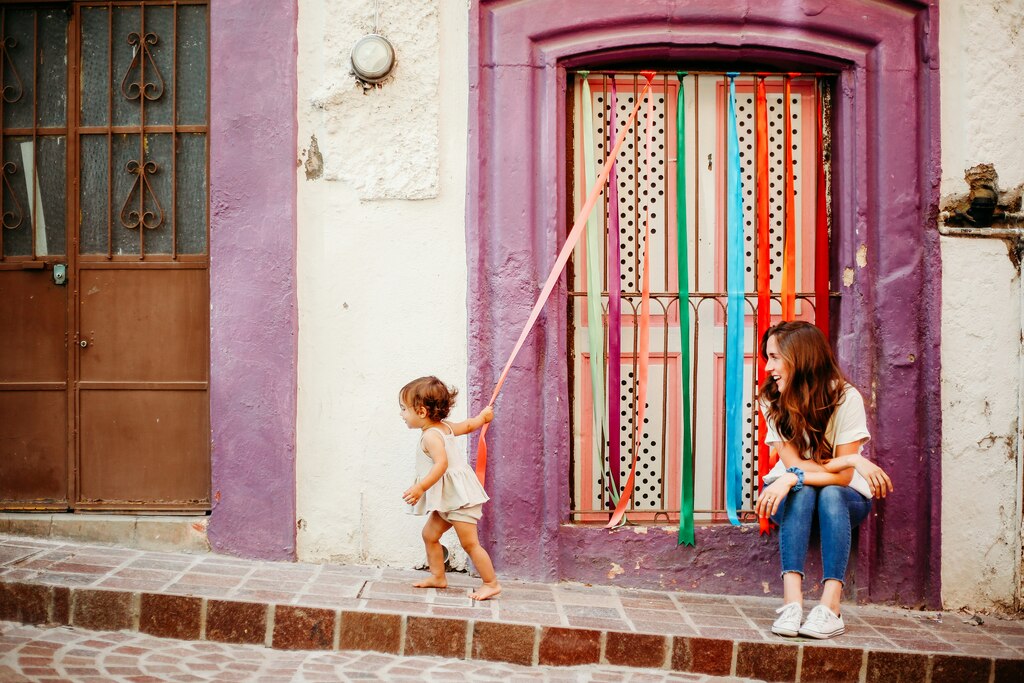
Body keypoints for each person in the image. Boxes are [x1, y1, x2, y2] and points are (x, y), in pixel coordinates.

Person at [754, 321, 893, 639]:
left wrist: (843, 464)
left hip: (844, 498)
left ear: (799, 357)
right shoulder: (772, 400)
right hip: (786, 495)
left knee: (829, 491)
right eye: (768, 357)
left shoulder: (846, 398)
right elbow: (795, 465)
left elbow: (843, 478)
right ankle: (792, 603)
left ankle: (831, 608)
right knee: (801, 491)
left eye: (775, 357)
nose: (768, 366)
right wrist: (848, 459)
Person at [399, 376, 501, 600]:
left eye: (404, 409)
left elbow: (441, 464)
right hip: (449, 499)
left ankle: (490, 583)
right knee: (429, 534)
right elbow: (467, 426)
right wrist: (481, 418)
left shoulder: (431, 437)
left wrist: (420, 487)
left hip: (460, 500)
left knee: (470, 543)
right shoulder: (443, 428)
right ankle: (438, 576)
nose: (402, 414)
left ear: (422, 411)